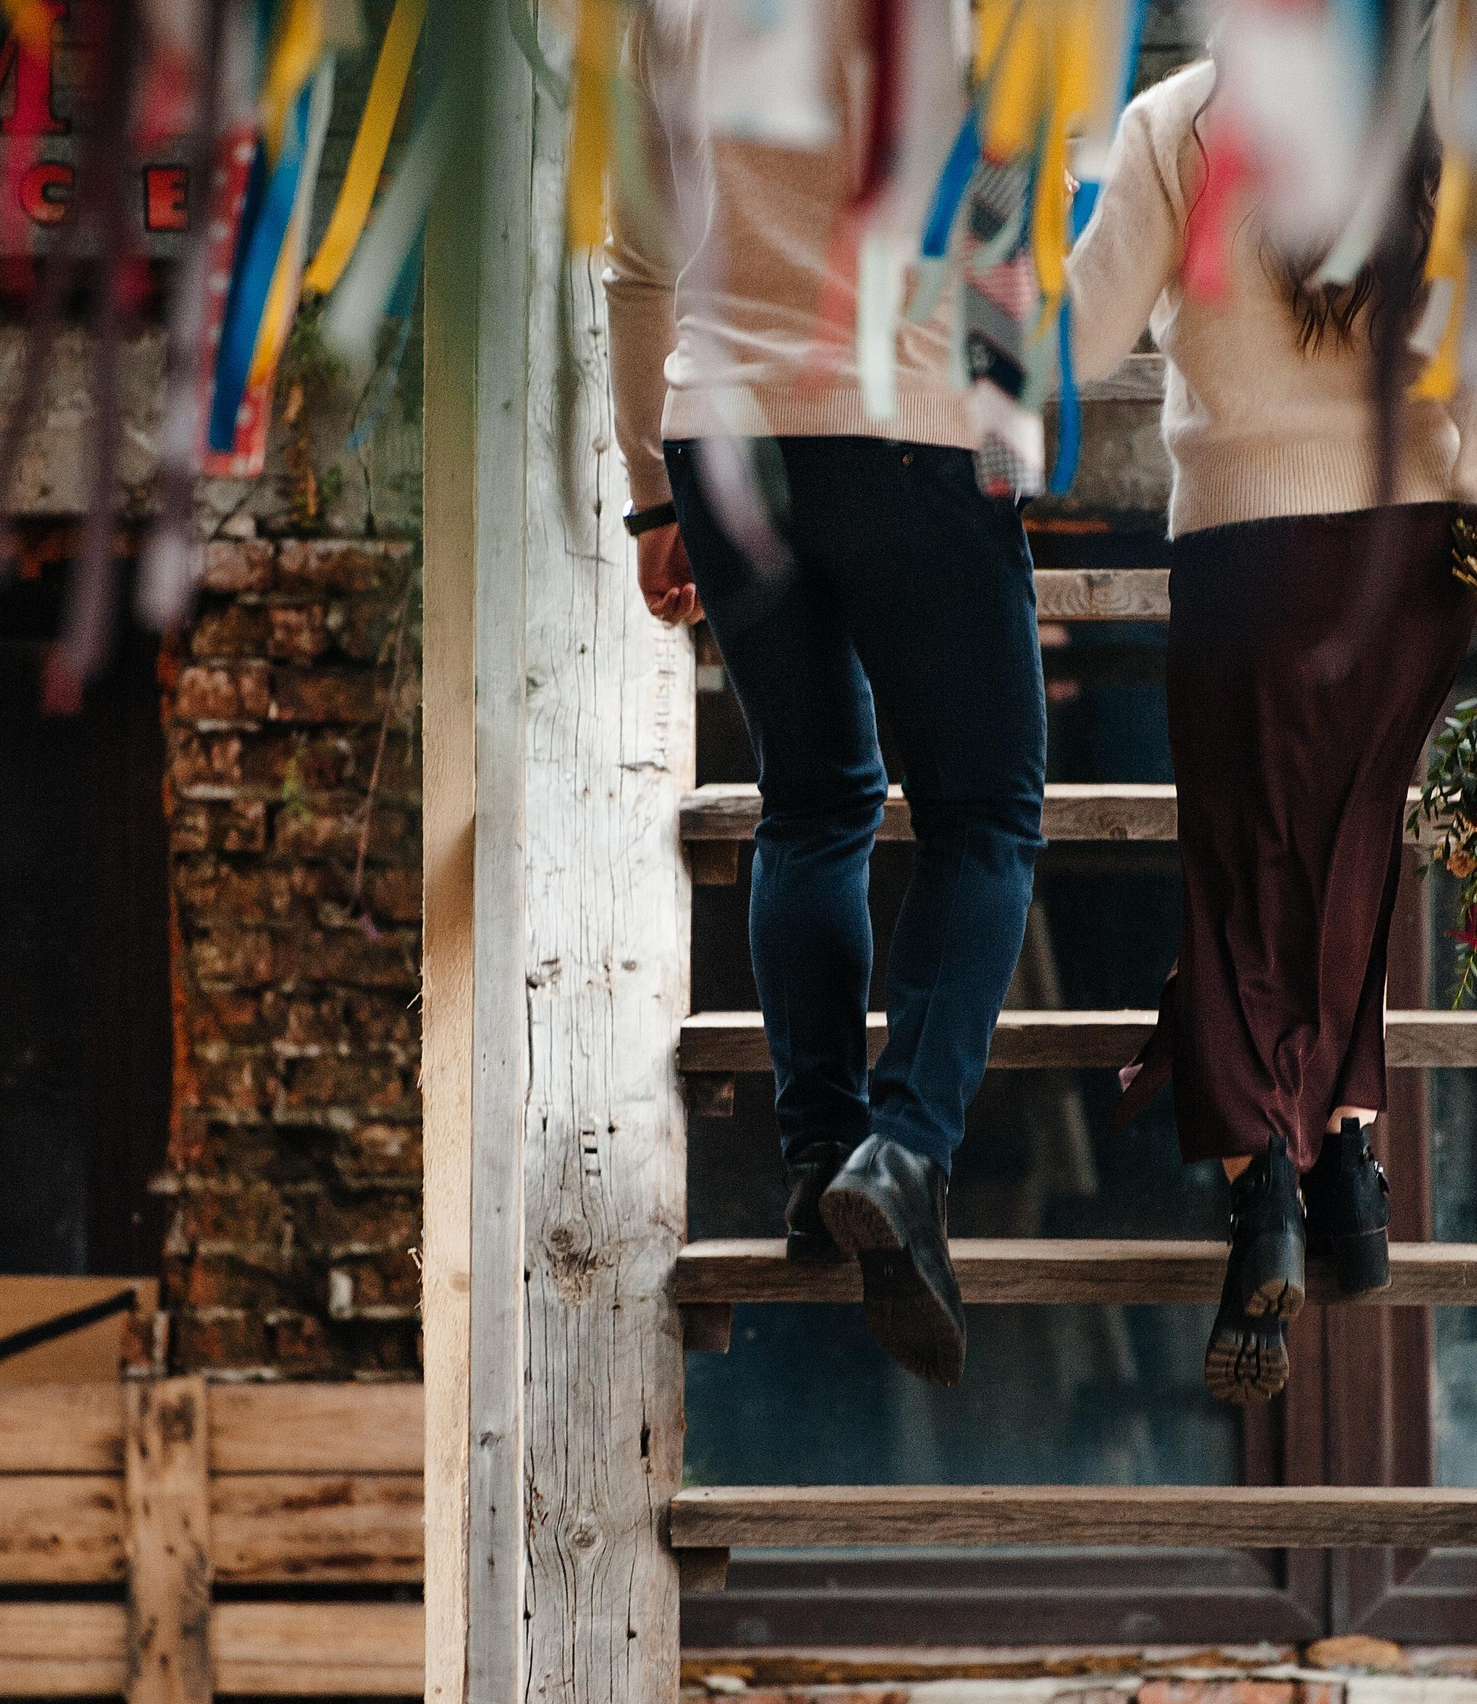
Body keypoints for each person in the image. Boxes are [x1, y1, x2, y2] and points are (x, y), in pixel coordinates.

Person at [1066, 56, 1477, 1405]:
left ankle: (1266, 1208)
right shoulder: (1444, 113)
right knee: (1349, 861)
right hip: (1414, 561)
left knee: (1241, 881)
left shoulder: (1177, 122)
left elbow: (1083, 333)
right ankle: (1346, 1165)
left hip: (1248, 549)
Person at [604, 0, 1047, 1389]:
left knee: (811, 799)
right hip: (909, 413)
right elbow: (1001, 212)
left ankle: (814, 1161)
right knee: (983, 818)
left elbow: (635, 256)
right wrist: (1009, 432)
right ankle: (905, 1150)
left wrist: (647, 497)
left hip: (723, 426)